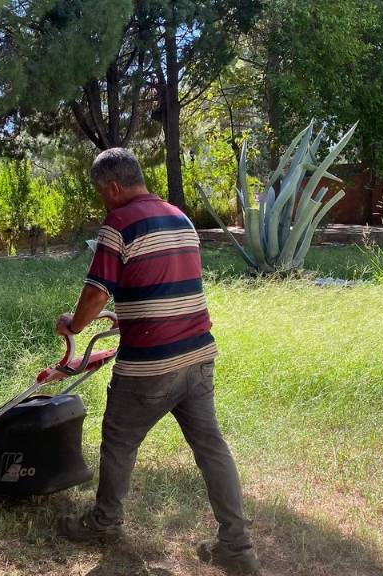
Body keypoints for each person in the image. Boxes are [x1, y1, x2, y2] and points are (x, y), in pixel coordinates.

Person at [55, 148, 260, 575]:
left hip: (151, 364)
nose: (102, 202)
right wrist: (126, 312)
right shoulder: (179, 217)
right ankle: (236, 548)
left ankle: (105, 524)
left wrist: (74, 326)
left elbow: (95, 294)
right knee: (211, 448)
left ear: (113, 188)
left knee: (118, 439)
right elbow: (161, 282)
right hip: (198, 354)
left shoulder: (119, 222)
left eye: (101, 193)